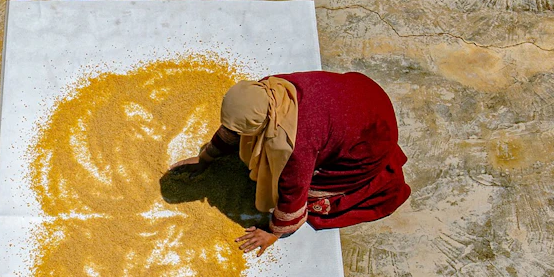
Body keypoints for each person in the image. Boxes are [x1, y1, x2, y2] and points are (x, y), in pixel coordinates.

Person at [173, 71, 411, 256]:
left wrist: (273, 232)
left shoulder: (293, 147)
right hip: (363, 95)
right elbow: (235, 127)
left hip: (372, 139)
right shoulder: (267, 89)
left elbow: (293, 192)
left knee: (308, 193)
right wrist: (206, 157)